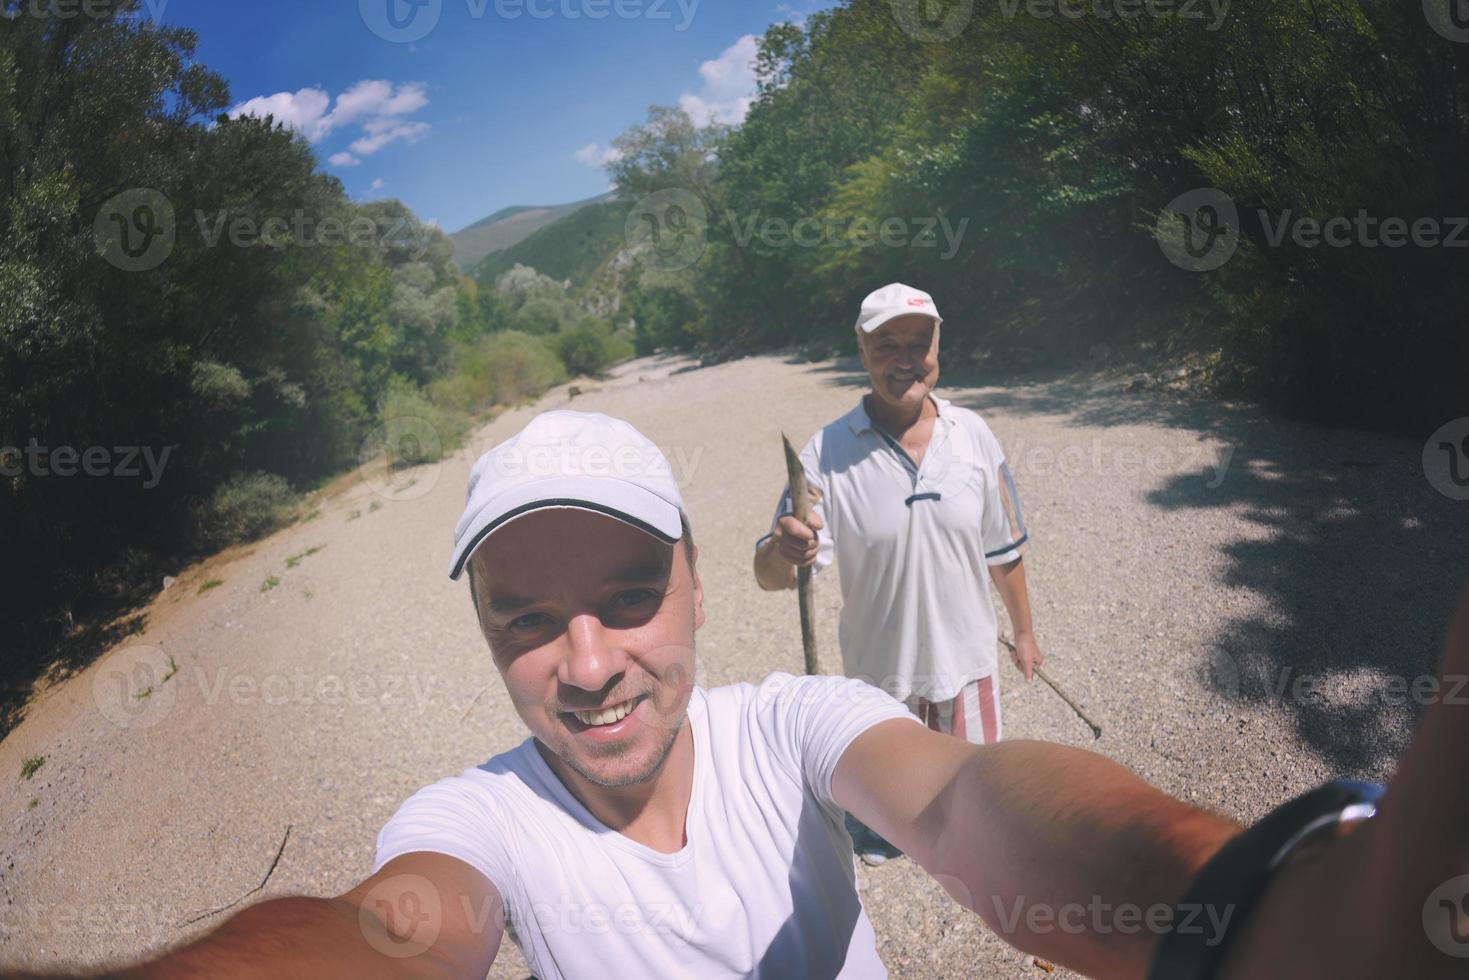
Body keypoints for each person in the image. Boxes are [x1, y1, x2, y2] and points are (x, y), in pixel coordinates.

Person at [10, 411, 1465, 980]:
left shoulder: (787, 723)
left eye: (630, 599)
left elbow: (966, 803)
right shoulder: (473, 819)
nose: (585, 667)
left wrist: (1238, 902)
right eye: (527, 622)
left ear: (703, 588)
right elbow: (391, 930)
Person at [753, 283, 1042, 863]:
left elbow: (1003, 548)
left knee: (973, 793)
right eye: (887, 345)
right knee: (892, 807)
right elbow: (771, 576)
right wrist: (784, 550)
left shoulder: (974, 436)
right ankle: (891, 834)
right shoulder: (824, 454)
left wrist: (1026, 634)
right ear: (861, 351)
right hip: (879, 670)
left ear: (938, 348)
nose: (905, 359)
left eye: (919, 343)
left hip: (968, 660)